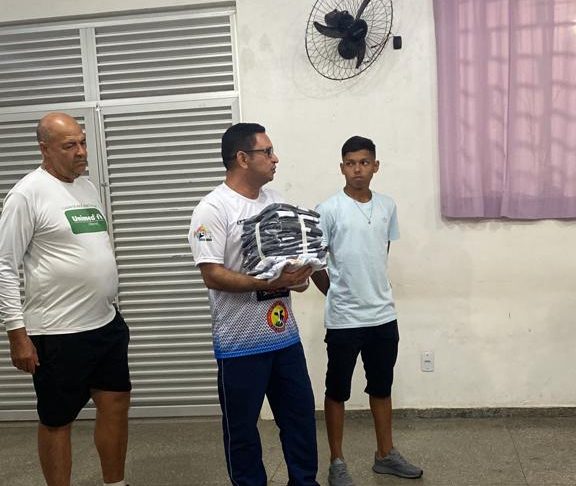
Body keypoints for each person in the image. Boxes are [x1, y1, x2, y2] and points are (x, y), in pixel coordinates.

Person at [0, 113, 131, 486]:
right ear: (45, 149)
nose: (81, 151)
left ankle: (115, 483)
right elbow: (4, 265)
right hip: (57, 331)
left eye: (83, 142)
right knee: (57, 420)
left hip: (104, 323)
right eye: (69, 145)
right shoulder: (27, 194)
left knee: (115, 403)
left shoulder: (88, 188)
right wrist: (17, 334)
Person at [188, 123, 319, 486]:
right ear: (243, 158)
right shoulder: (213, 209)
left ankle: (305, 481)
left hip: (284, 337)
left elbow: (289, 262)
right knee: (242, 429)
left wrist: (299, 275)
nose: (276, 159)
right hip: (239, 344)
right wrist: (268, 283)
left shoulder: (276, 202)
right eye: (268, 152)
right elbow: (212, 274)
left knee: (300, 419)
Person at [311, 136, 423, 486]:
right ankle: (337, 461)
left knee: (381, 387)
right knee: (337, 391)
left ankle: (385, 454)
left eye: (363, 162)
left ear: (375, 166)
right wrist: (338, 294)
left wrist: (370, 290)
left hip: (383, 316)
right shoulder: (327, 209)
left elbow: (381, 250)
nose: (357, 169)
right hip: (344, 319)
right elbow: (315, 263)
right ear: (341, 167)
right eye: (350, 163)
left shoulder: (387, 206)